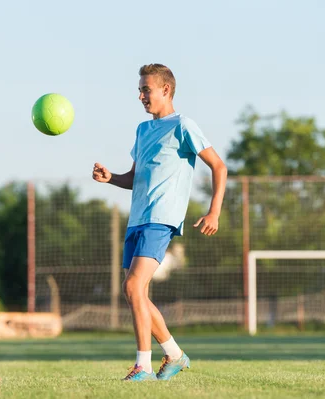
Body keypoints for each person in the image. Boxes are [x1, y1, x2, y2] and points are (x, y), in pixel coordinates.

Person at [92, 64, 227, 381]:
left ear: (166, 90)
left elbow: (218, 167)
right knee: (134, 293)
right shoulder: (142, 130)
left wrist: (214, 211)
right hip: (137, 219)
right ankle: (176, 355)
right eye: (139, 90)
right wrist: (111, 178)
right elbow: (135, 177)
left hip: (161, 218)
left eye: (145, 89)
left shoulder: (183, 125)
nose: (140, 95)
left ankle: (143, 365)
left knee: (133, 286)